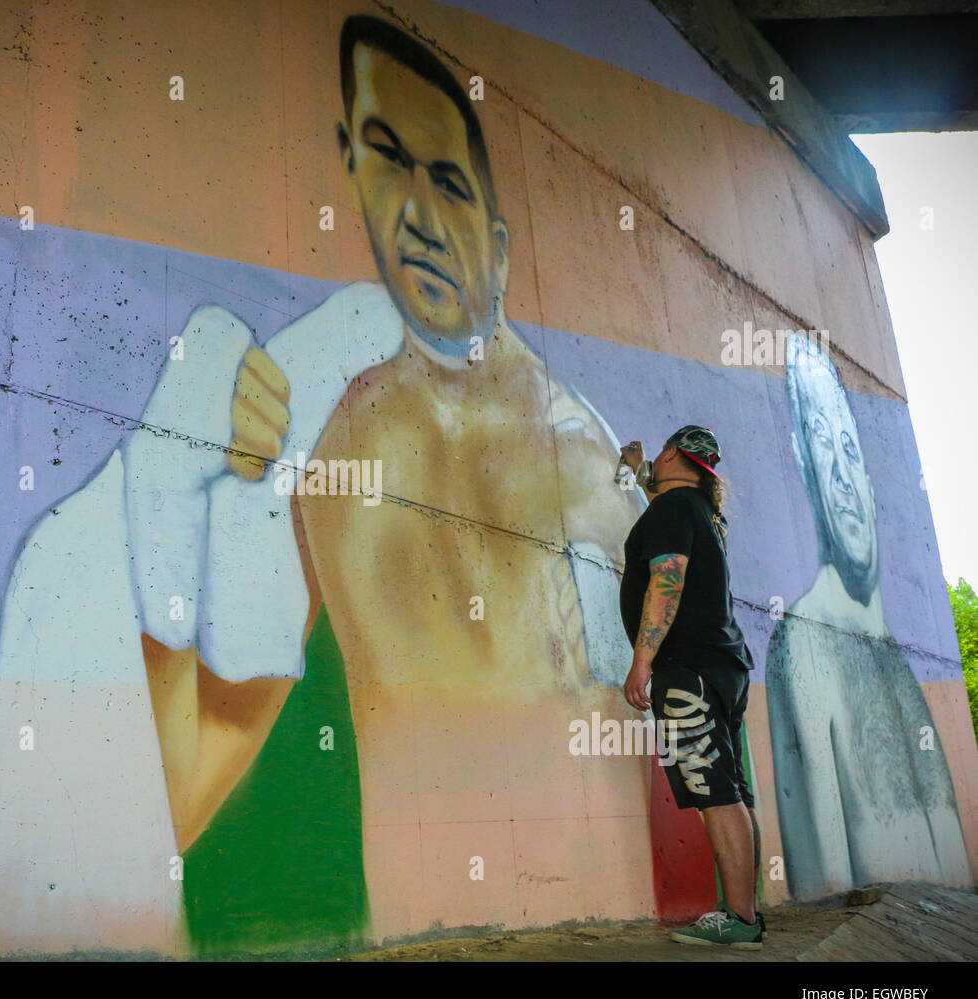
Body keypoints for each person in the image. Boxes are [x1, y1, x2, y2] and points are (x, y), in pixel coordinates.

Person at [223, 14, 649, 939]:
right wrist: (223, 481)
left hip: (589, 896)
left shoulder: (576, 443)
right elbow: (225, 677)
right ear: (351, 174)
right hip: (420, 919)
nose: (416, 212)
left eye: (448, 181)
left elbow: (668, 606)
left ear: (499, 245)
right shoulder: (326, 427)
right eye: (384, 159)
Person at [766, 334, 968, 897]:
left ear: (872, 481)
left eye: (850, 450)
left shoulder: (898, 656)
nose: (840, 476)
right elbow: (825, 896)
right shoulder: (805, 643)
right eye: (821, 446)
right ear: (804, 464)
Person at [619, 426, 763, 948]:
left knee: (713, 791)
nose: (652, 460)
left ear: (676, 453)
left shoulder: (672, 512)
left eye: (659, 453)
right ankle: (747, 913)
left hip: (687, 670)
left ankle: (741, 921)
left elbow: (667, 580)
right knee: (729, 790)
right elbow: (665, 498)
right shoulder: (696, 511)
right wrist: (640, 474)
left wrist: (643, 661)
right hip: (722, 667)